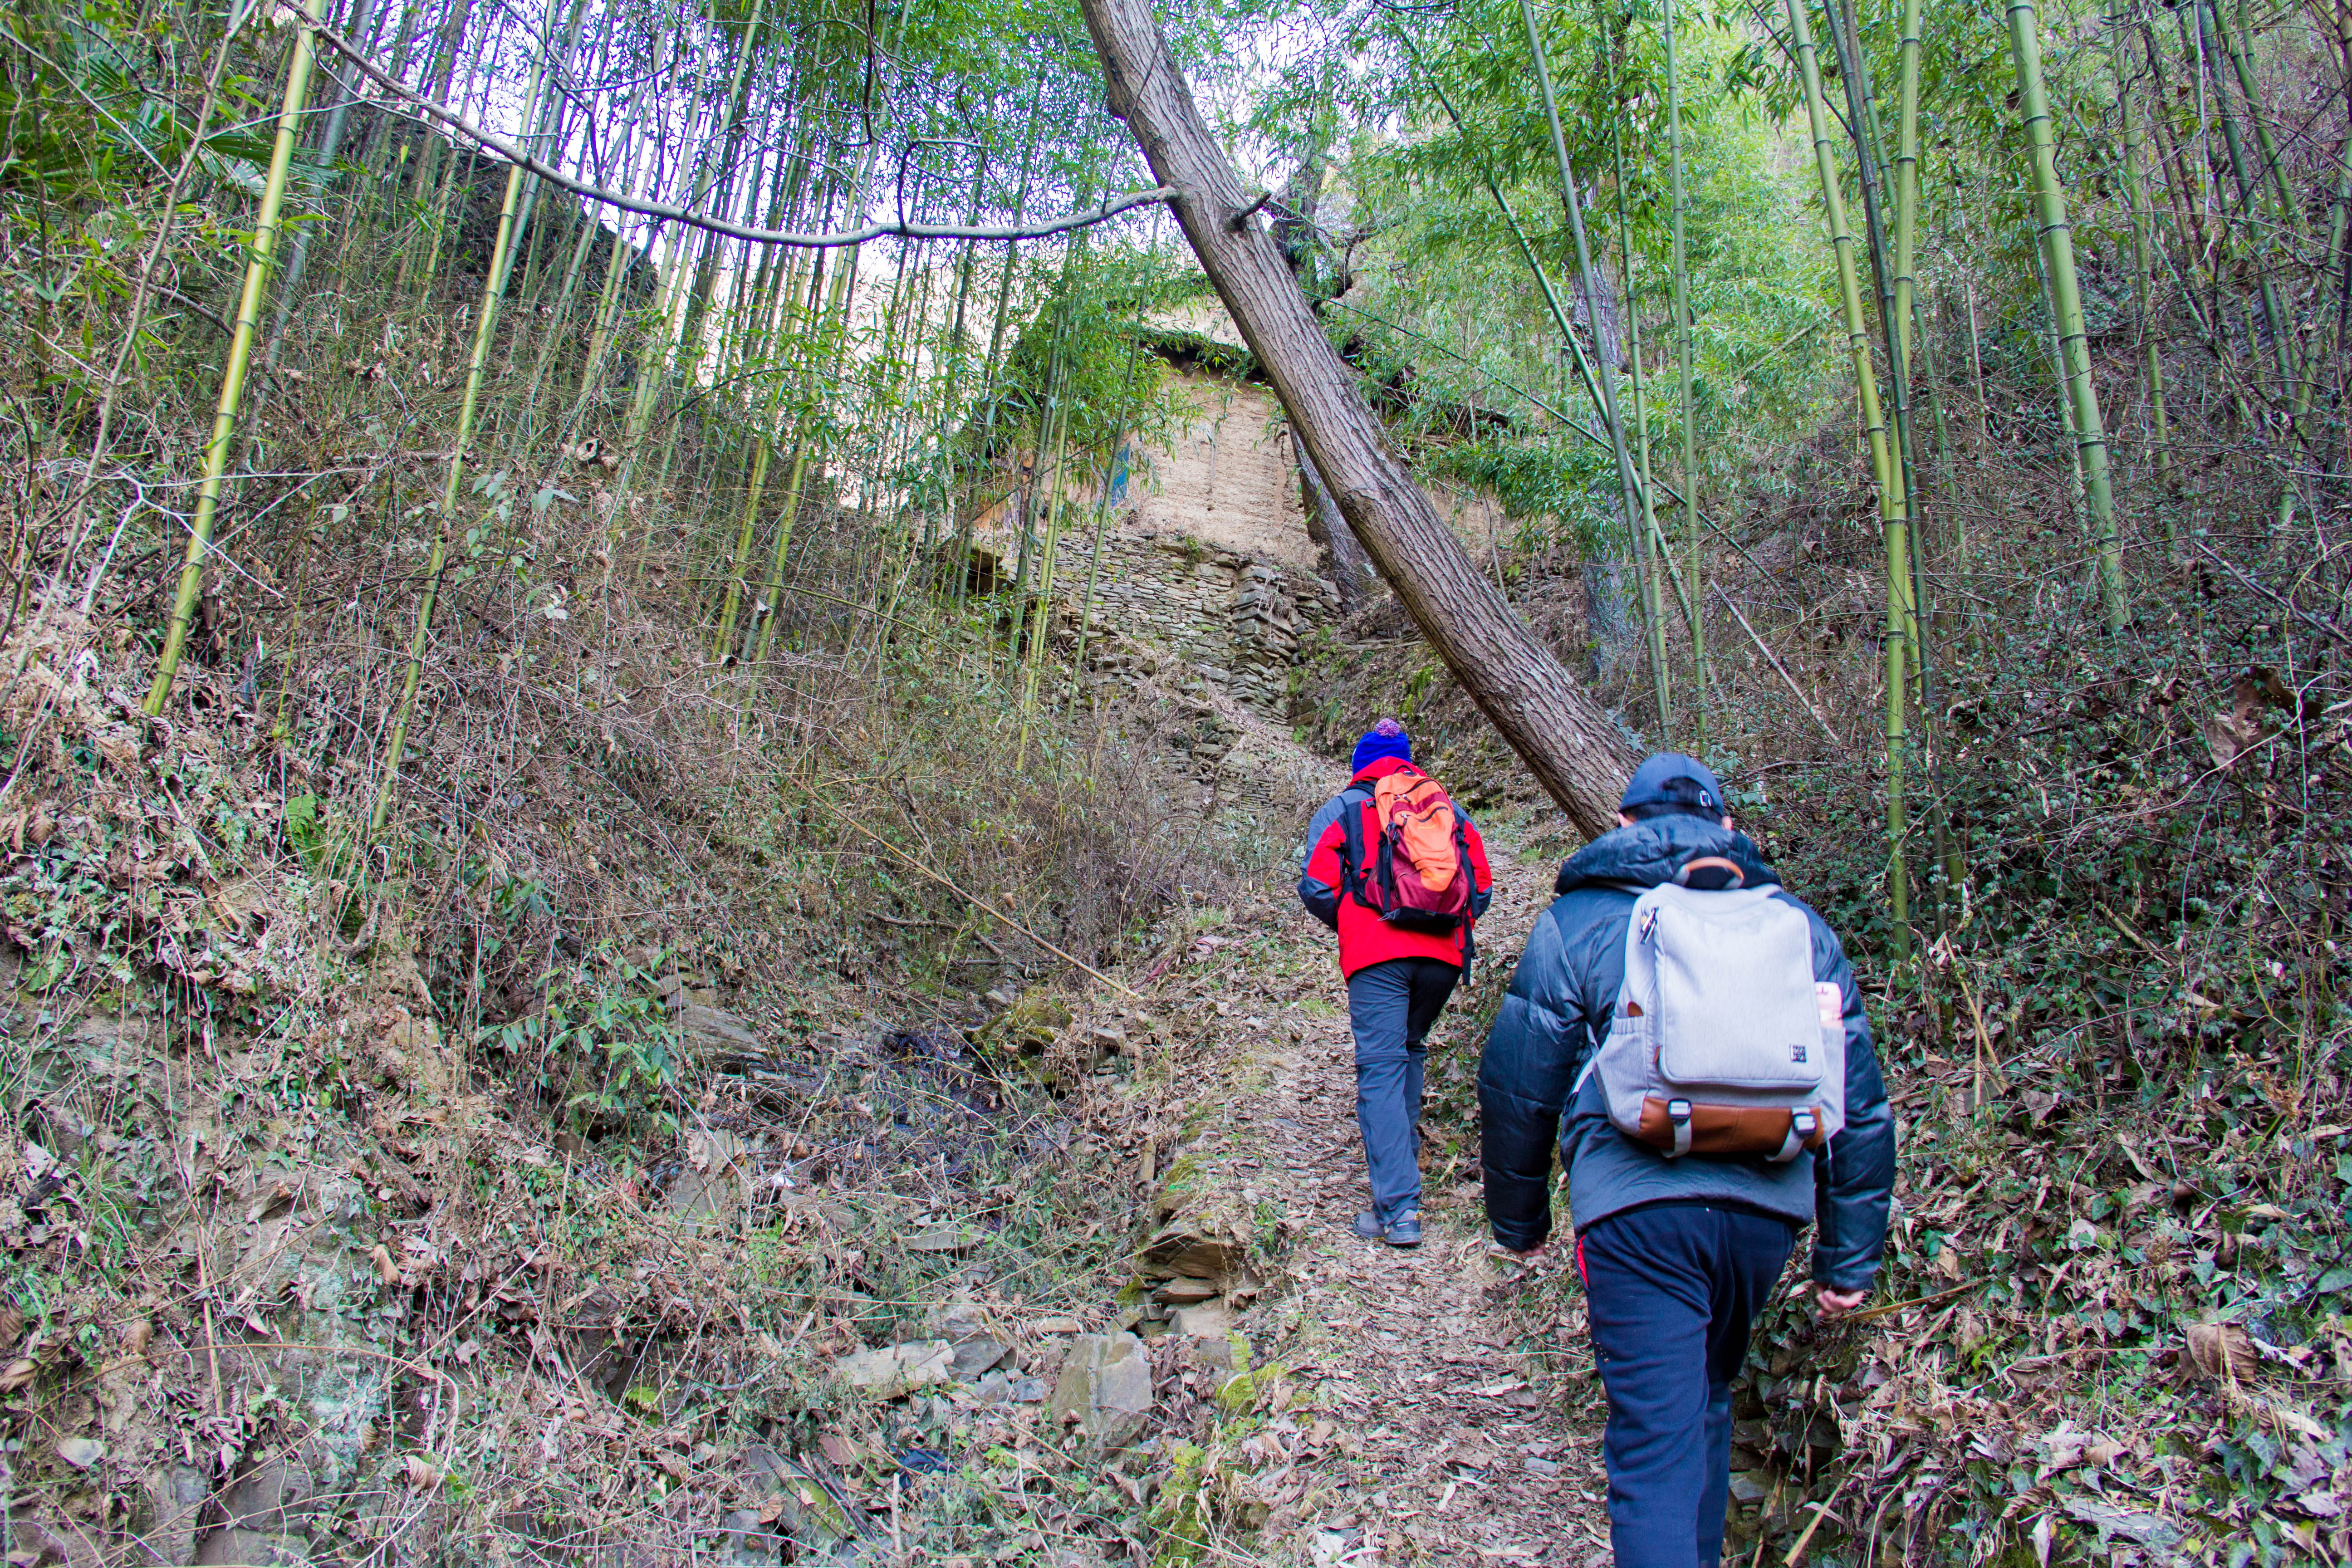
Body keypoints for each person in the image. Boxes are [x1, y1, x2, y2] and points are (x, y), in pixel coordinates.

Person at [1478, 753, 1894, 1568]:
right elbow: (1860, 1100)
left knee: (1653, 1446)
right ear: (1727, 831)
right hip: (1762, 1213)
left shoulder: (1582, 919)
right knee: (1703, 1402)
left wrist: (1517, 1220)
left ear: (1624, 824)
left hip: (1634, 1215)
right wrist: (1846, 1257)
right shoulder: (1794, 926)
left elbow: (1518, 1083)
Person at [1299, 718, 1494, 1247]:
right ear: (1409, 762)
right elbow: (1482, 886)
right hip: (1444, 958)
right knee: (1409, 1048)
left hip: (1377, 956)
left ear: (1360, 765)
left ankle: (1399, 1209)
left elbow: (1315, 885)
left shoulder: (1344, 809)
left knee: (1382, 1066)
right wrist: (1446, 927)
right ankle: (1401, 1185)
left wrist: (1356, 920)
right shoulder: (1445, 811)